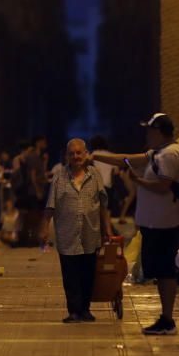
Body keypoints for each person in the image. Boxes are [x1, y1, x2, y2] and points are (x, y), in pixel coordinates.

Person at [92, 113, 179, 335]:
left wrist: (138, 182)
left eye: (150, 130)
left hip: (165, 223)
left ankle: (167, 320)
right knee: (160, 270)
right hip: (155, 223)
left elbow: (164, 186)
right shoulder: (156, 153)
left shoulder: (170, 154)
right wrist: (97, 157)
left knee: (165, 271)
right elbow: (127, 159)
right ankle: (165, 318)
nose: (146, 134)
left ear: (159, 132)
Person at [40, 139, 112, 323]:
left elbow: (103, 204)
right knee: (70, 274)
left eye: (79, 153)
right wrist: (44, 228)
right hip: (67, 233)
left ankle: (85, 310)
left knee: (88, 273)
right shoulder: (59, 176)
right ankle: (73, 311)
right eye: (71, 153)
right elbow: (50, 205)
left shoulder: (95, 175)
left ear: (86, 153)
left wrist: (108, 228)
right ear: (66, 156)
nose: (76, 157)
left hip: (91, 232)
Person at [16, 136, 48, 245]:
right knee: (33, 215)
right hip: (33, 191)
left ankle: (33, 238)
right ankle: (30, 239)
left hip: (37, 189)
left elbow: (41, 173)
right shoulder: (33, 156)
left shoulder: (39, 157)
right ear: (38, 142)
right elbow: (33, 175)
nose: (45, 143)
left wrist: (45, 162)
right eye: (43, 141)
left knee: (37, 215)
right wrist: (38, 190)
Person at [90, 135, 118, 216]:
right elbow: (116, 172)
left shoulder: (92, 155)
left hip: (96, 186)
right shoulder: (112, 155)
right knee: (108, 209)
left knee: (96, 210)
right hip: (108, 186)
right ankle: (108, 227)